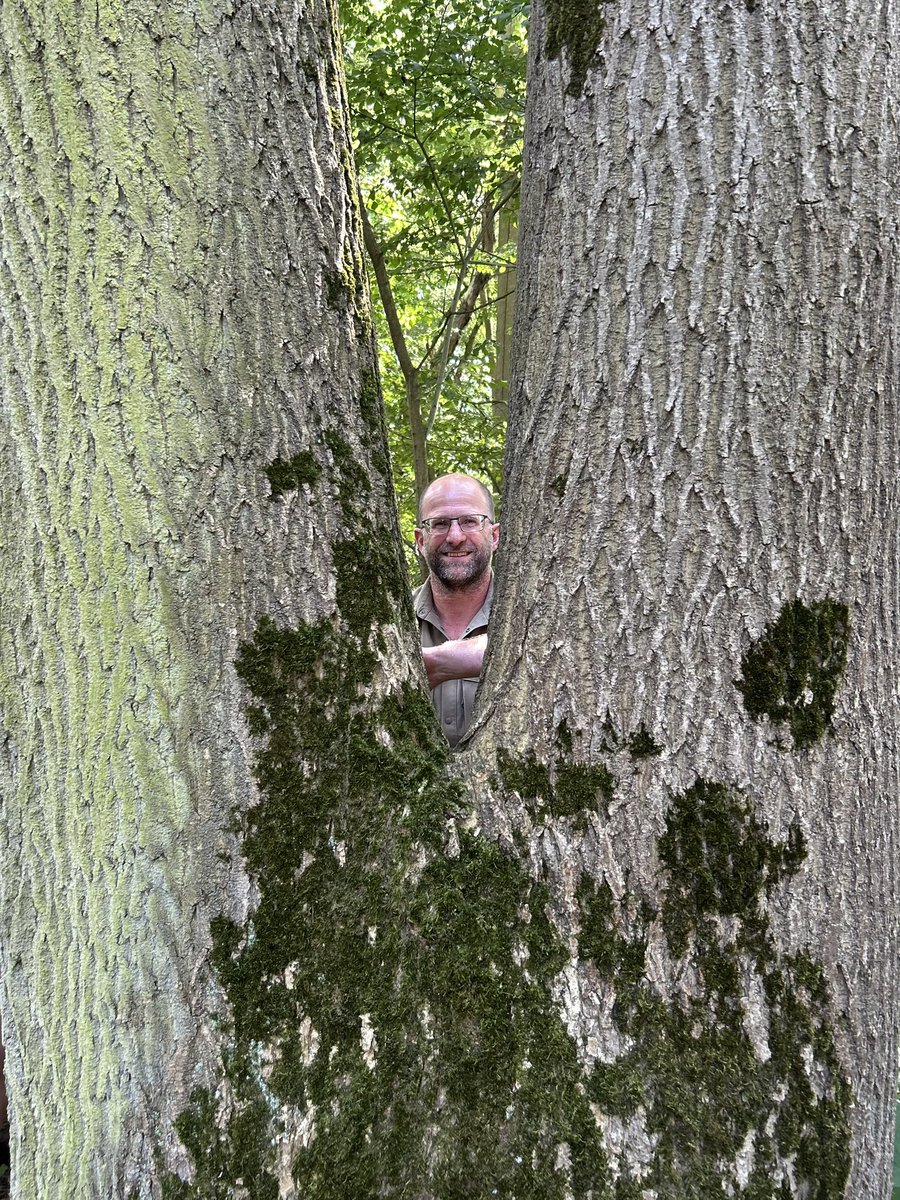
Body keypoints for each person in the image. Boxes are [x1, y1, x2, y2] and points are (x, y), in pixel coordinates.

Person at [413, 473, 499, 746]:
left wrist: (439, 661)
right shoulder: (390, 624)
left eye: (470, 521)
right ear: (420, 541)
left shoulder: (529, 618)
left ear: (494, 535)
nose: (455, 536)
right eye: (439, 524)